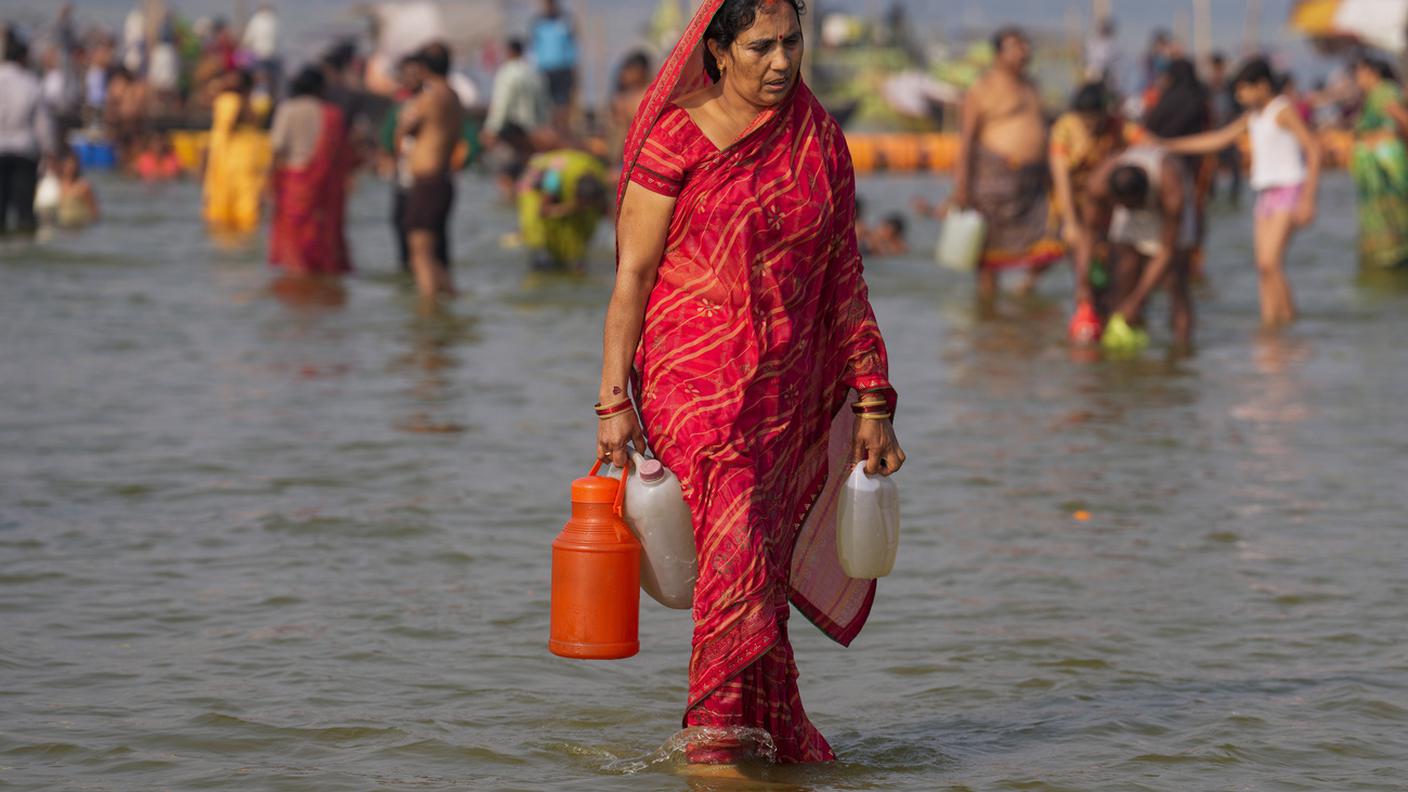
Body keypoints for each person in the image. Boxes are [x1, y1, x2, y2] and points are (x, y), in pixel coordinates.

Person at [599, 0, 904, 768]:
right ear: (718, 49)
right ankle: (716, 746)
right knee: (736, 550)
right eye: (761, 45)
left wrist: (873, 397)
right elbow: (633, 276)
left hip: (784, 390)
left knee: (758, 566)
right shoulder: (676, 138)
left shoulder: (819, 140)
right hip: (690, 382)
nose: (780, 61)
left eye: (791, 42)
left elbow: (843, 275)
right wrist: (612, 399)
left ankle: (771, 737)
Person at [1157, 58, 1321, 327]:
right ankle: (1270, 325)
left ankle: (1290, 323)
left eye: (1243, 89)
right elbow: (1217, 139)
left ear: (1262, 85)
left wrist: (1308, 198)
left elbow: (1313, 149)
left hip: (1289, 189)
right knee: (1263, 267)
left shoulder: (1282, 110)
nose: (1239, 95)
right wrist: (1168, 145)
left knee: (1270, 263)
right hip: (1266, 194)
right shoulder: (1253, 117)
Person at [936, 26, 1062, 299]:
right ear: (999, 53)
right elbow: (967, 140)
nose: (1024, 51)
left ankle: (1024, 288)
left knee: (1055, 241)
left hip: (1033, 180)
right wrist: (962, 186)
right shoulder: (982, 88)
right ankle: (988, 312)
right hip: (993, 178)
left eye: (1025, 46)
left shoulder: (1031, 85)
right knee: (989, 257)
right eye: (1016, 46)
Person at [1085, 146, 1197, 351]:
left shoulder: (1171, 192)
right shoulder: (1098, 184)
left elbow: (1166, 252)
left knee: (1174, 282)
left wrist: (1137, 300)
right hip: (1130, 194)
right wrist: (1083, 284)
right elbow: (1089, 235)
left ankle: (1182, 352)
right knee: (1123, 272)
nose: (1129, 211)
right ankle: (1125, 350)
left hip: (1169, 213)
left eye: (1132, 207)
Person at [1050, 82, 1126, 332]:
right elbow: (1061, 179)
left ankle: (1105, 313)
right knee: (1082, 265)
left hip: (1106, 210)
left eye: (1094, 118)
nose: (1090, 124)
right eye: (1085, 119)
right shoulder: (1065, 129)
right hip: (1073, 206)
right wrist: (1070, 222)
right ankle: (1086, 313)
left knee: (1107, 266)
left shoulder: (1117, 126)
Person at [268, 66, 354, 276]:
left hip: (294, 183)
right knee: (322, 235)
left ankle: (299, 286)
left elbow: (277, 149)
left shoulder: (288, 109)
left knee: (294, 238)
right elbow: (343, 155)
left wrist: (269, 181)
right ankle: (320, 287)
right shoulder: (333, 114)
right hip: (324, 186)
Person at [396, 43, 463, 296]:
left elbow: (404, 127)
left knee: (419, 253)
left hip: (427, 182)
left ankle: (428, 312)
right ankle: (447, 304)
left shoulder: (430, 96)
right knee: (432, 254)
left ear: (423, 68)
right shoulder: (453, 96)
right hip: (442, 180)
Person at [1350, 57, 1408, 269]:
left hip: (1384, 163)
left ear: (1372, 72)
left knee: (1390, 210)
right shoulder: (1375, 94)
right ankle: (1387, 257)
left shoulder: (1384, 90)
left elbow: (1401, 118)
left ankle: (1392, 258)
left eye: (1360, 72)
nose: (1357, 78)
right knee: (1382, 212)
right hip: (1376, 163)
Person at [517, 148, 608, 271]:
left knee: (575, 252)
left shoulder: (597, 175)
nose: (585, 208)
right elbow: (543, 211)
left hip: (566, 191)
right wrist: (572, 207)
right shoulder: (553, 179)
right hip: (535, 193)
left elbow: (605, 208)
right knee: (542, 256)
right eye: (584, 204)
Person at [203, 69, 269, 234]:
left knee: (235, 212)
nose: (227, 82)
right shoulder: (228, 100)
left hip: (235, 160)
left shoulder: (232, 101)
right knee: (238, 212)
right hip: (230, 160)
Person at [0, 31, 45, 236]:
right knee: (25, 213)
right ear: (23, 58)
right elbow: (42, 126)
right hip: (24, 151)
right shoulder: (31, 83)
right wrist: (49, 153)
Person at [530, 0, 579, 128]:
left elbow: (573, 45)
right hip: (545, 70)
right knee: (545, 104)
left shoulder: (565, 21)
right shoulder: (537, 23)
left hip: (563, 69)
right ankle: (551, 130)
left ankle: (562, 129)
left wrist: (574, 67)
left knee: (562, 103)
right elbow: (534, 47)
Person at [1205, 52, 1243, 206]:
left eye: (1220, 68)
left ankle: (1234, 198)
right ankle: (1212, 197)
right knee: (1211, 170)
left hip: (1229, 133)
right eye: (1215, 69)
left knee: (1235, 167)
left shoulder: (1230, 87)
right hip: (1212, 134)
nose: (1218, 72)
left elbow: (1238, 108)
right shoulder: (1206, 89)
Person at [608, 50, 652, 163]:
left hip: (646, 152)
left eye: (628, 71)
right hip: (633, 154)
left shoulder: (652, 95)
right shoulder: (624, 99)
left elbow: (622, 133)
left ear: (640, 71)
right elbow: (621, 133)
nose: (624, 75)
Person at [242, 2, 281, 97]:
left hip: (260, 56)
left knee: (260, 81)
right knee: (271, 81)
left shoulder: (256, 20)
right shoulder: (274, 20)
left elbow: (248, 39)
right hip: (272, 56)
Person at [53, 151, 98, 227]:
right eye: (67, 165)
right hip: (61, 226)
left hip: (79, 226)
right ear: (61, 166)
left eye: (73, 165)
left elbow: (94, 212)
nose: (70, 168)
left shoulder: (84, 186)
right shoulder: (55, 185)